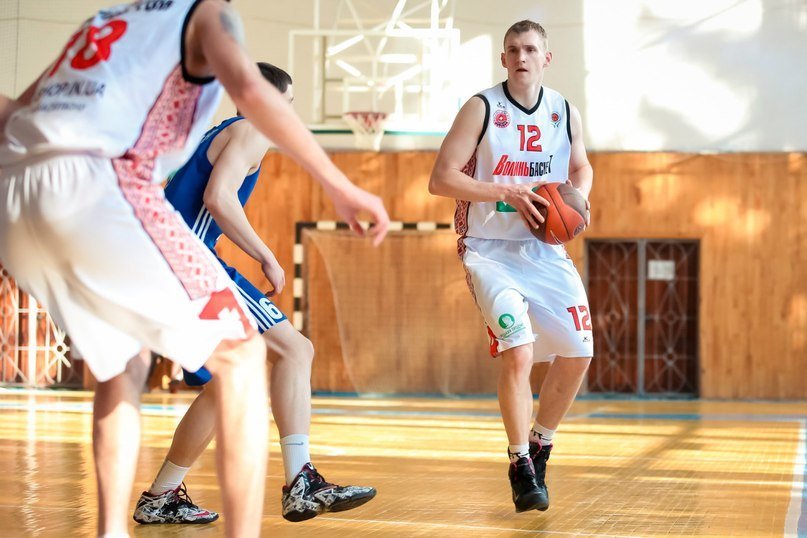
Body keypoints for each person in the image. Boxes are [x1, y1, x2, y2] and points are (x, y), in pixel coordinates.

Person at [0, 1, 389, 536]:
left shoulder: (106, 21)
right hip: (122, 203)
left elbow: (15, 110)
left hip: (24, 195)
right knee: (265, 356)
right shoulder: (221, 52)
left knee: (135, 366)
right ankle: (298, 481)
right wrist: (334, 190)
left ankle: (149, 503)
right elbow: (221, 187)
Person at [132, 63, 375, 525]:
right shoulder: (251, 129)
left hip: (163, 264)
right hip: (185, 263)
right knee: (295, 350)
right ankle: (301, 481)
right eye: (286, 103)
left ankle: (161, 496)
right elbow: (219, 198)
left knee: (226, 384)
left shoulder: (220, 131)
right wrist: (267, 256)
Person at [428, 19, 593, 513]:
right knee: (518, 350)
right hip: (488, 249)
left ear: (546, 58)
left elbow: (581, 166)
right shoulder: (481, 108)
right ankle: (520, 463)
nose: (521, 57)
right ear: (503, 59)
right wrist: (506, 191)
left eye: (530, 49)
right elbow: (441, 179)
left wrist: (578, 200)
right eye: (513, 50)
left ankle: (541, 444)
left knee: (580, 351)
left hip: (544, 251)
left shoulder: (564, 110)